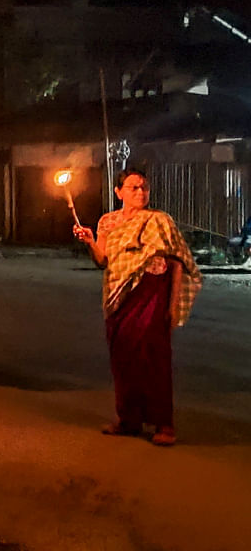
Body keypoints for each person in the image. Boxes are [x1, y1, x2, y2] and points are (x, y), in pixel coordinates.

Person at [74, 168, 202, 446]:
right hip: (118, 295)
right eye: (133, 188)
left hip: (152, 294)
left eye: (143, 187)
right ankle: (128, 419)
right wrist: (89, 242)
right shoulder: (108, 221)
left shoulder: (160, 221)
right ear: (119, 192)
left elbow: (178, 263)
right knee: (123, 358)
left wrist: (172, 304)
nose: (140, 192)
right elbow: (103, 260)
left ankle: (164, 424)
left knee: (153, 357)